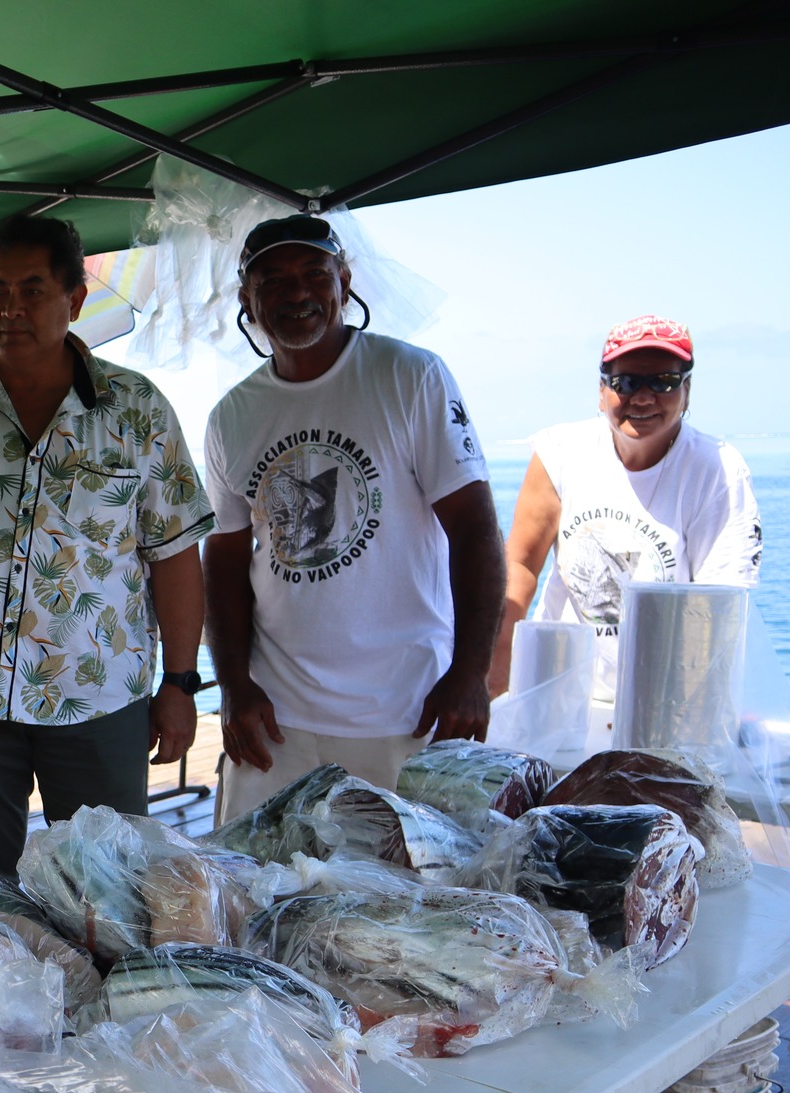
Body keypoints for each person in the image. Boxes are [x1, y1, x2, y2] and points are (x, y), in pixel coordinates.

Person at [0, 214, 212, 876]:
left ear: (74, 299)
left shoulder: (138, 409)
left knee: (105, 888)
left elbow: (174, 556)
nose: (11, 309)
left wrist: (181, 683)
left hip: (97, 695)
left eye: (32, 290)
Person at [203, 214, 504, 822]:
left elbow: (475, 528)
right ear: (246, 300)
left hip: (402, 715)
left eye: (314, 273)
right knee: (255, 899)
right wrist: (234, 687)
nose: (296, 293)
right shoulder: (230, 416)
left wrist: (472, 672)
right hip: (274, 725)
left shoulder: (410, 377)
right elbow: (225, 563)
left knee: (405, 907)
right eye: (272, 281)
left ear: (344, 281)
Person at [489, 315, 761, 699]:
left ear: (687, 391)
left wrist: (679, 714)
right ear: (602, 391)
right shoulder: (559, 453)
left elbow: (719, 607)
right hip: (558, 692)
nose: (644, 397)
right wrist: (496, 668)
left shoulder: (719, 470)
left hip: (665, 698)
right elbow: (519, 564)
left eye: (664, 382)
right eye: (627, 382)